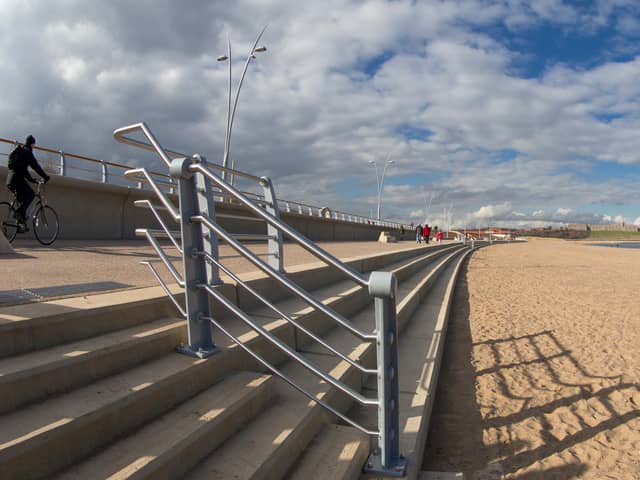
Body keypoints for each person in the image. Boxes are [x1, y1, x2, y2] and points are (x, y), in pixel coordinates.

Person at [5, 135, 50, 232]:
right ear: (32, 144)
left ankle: (20, 226)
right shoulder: (28, 152)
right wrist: (45, 177)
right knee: (31, 195)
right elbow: (35, 166)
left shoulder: (21, 152)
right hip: (17, 180)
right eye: (34, 144)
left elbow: (24, 172)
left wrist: (33, 180)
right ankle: (18, 214)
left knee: (23, 201)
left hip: (10, 180)